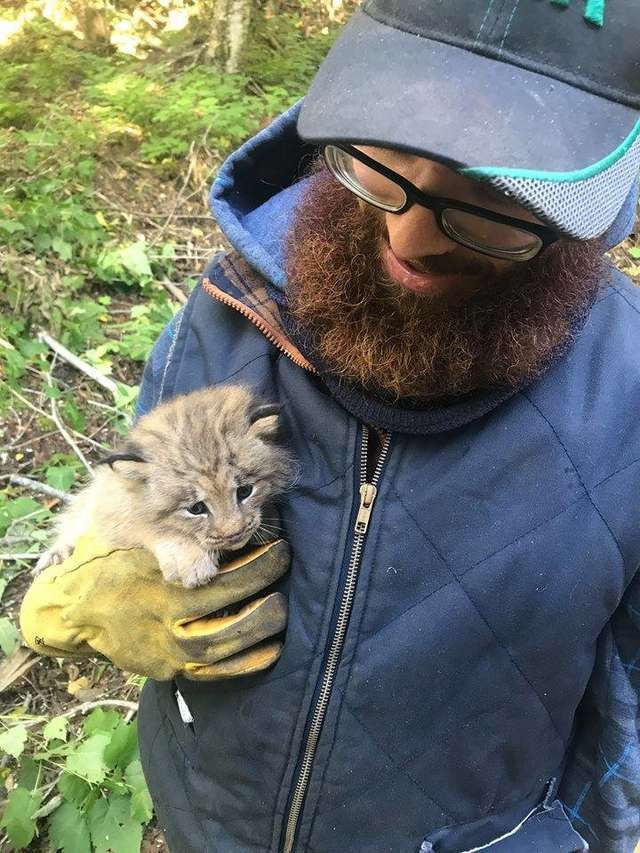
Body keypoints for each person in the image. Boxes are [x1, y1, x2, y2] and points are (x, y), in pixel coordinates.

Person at [19, 0, 640, 850]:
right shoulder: (226, 309)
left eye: (498, 192)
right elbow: (139, 492)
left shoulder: (630, 402)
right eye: (386, 148)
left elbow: (626, 724)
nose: (409, 233)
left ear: (583, 208)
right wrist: (71, 583)